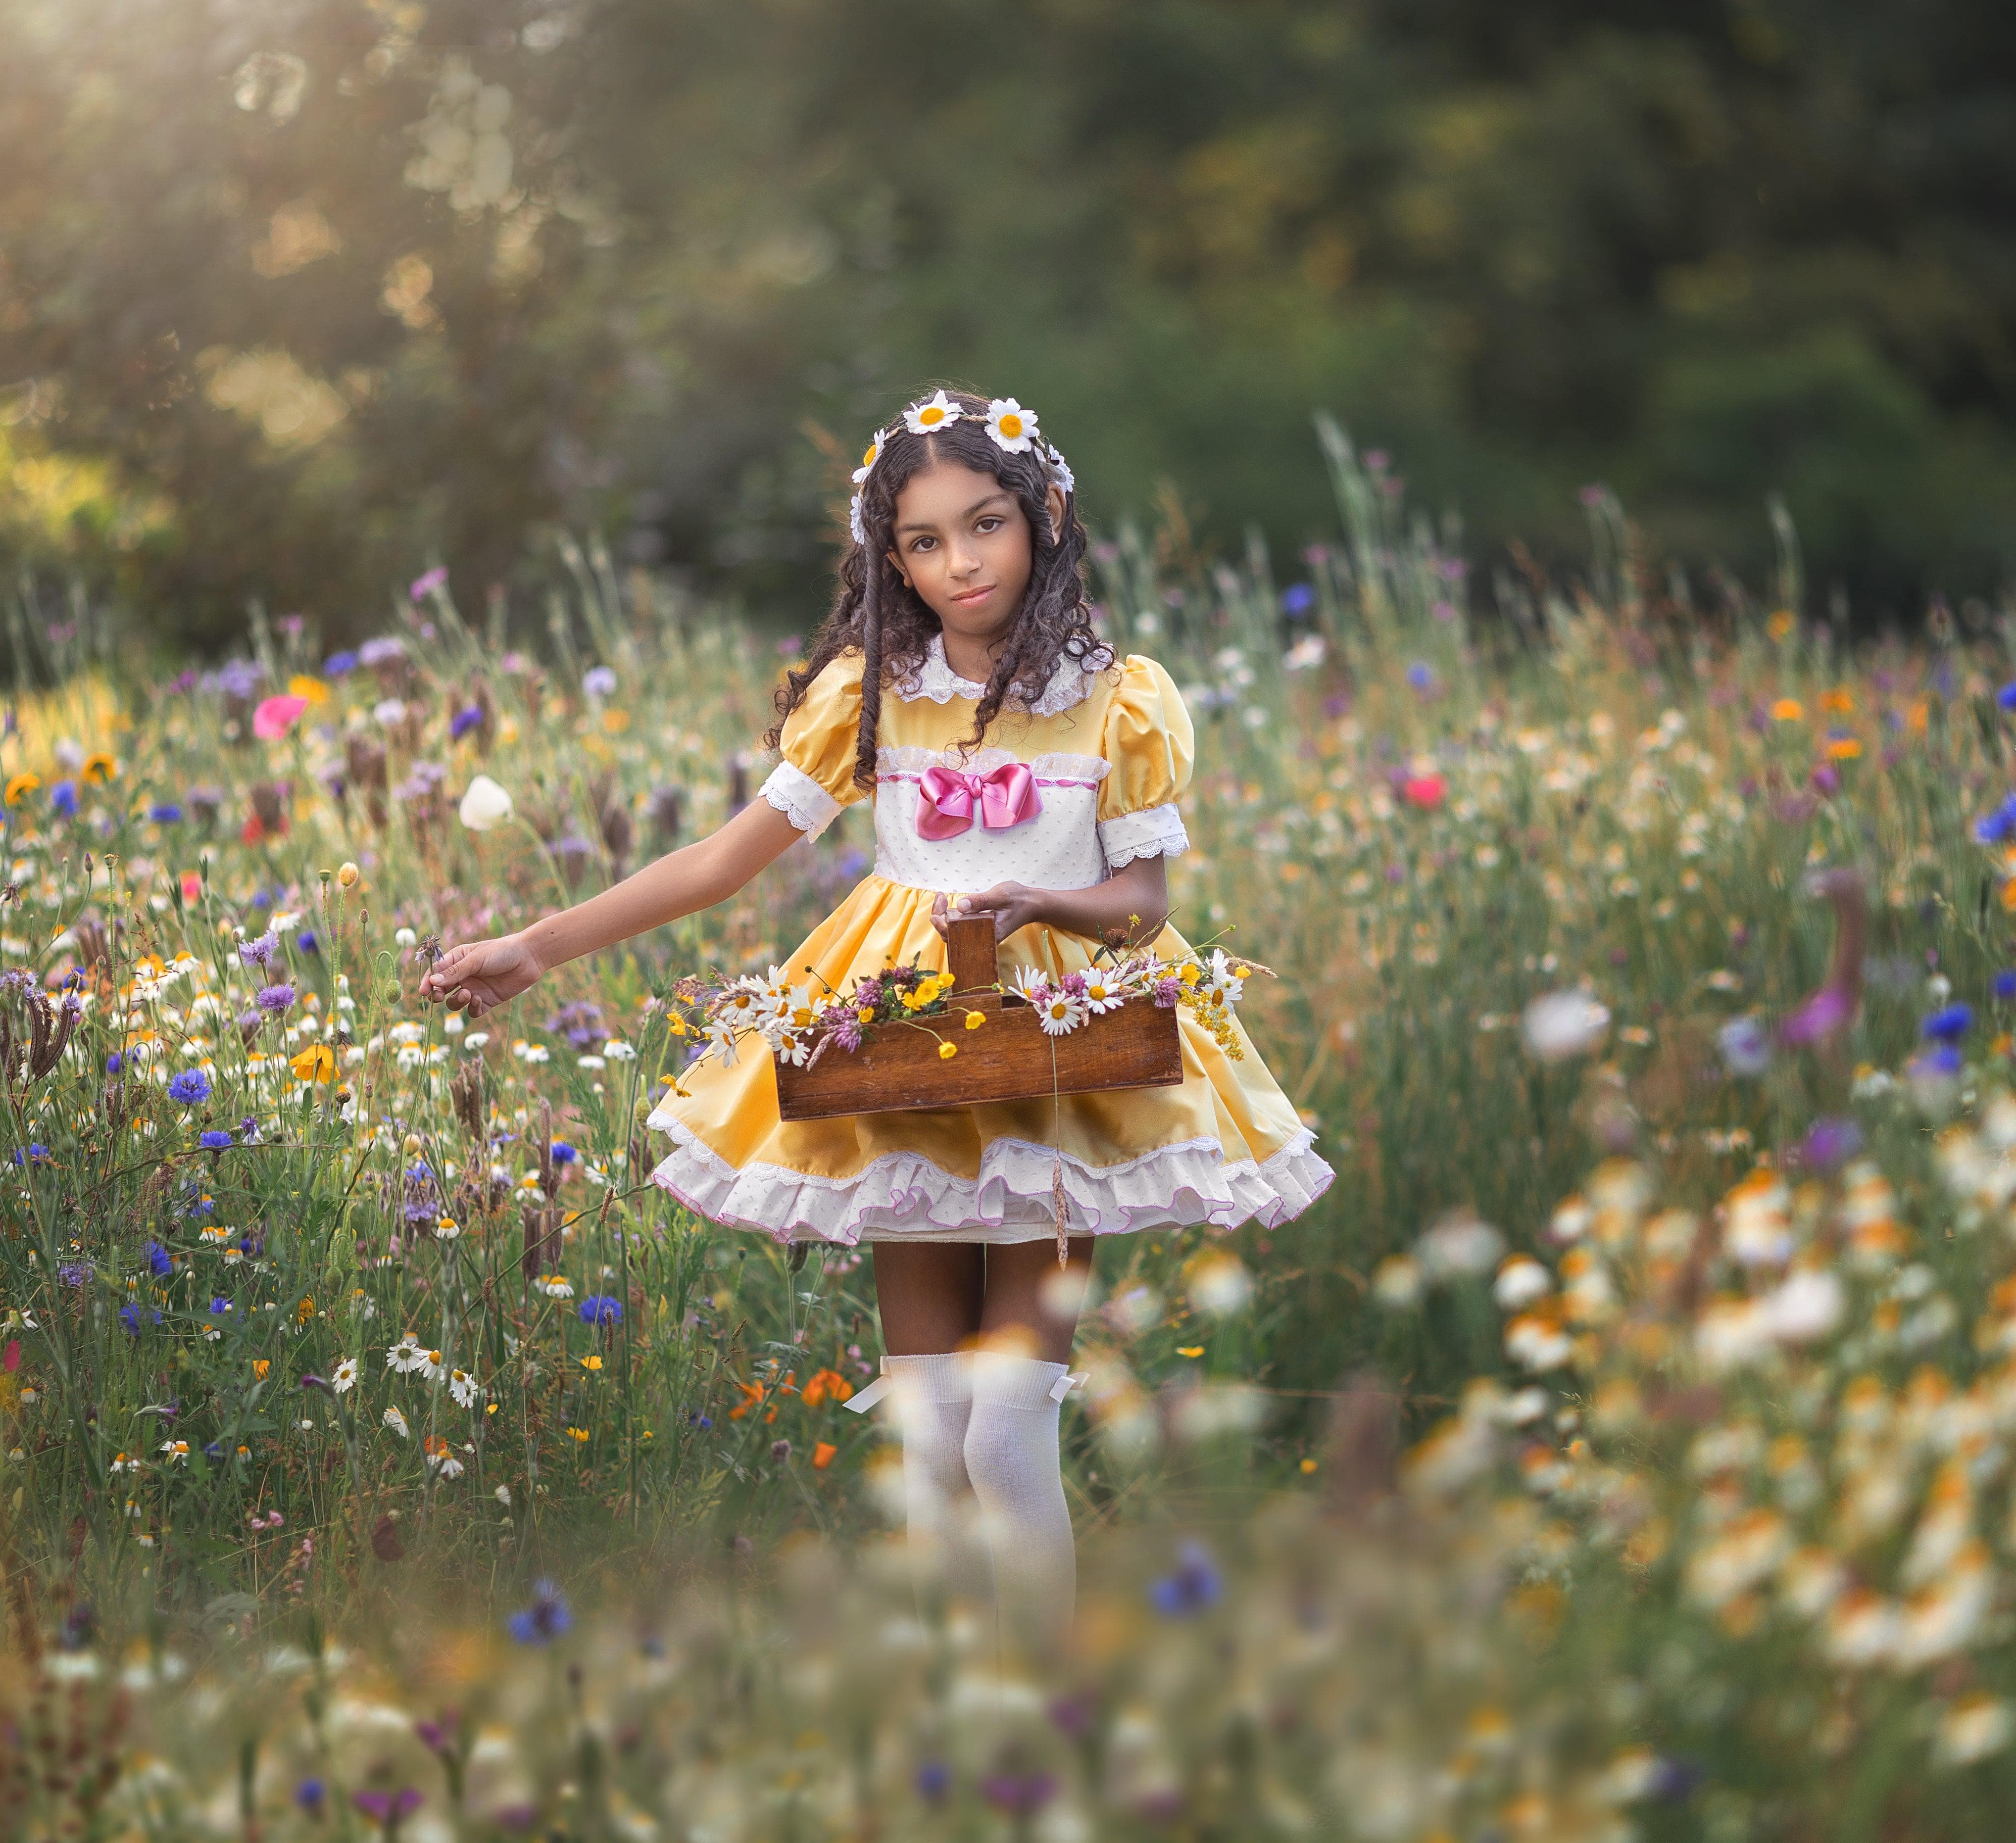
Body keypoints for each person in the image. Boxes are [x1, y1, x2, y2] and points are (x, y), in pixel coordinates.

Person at [420, 385, 1335, 1652]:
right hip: (900, 1059)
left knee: (1007, 1435)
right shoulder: (869, 693)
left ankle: (1044, 1701)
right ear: (889, 555)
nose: (960, 562)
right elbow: (720, 860)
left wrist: (1036, 903)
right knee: (929, 1436)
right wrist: (533, 945)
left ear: (1045, 517)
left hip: (1055, 1055)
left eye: (986, 525)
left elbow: (1139, 900)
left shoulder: (1116, 698)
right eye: (924, 540)